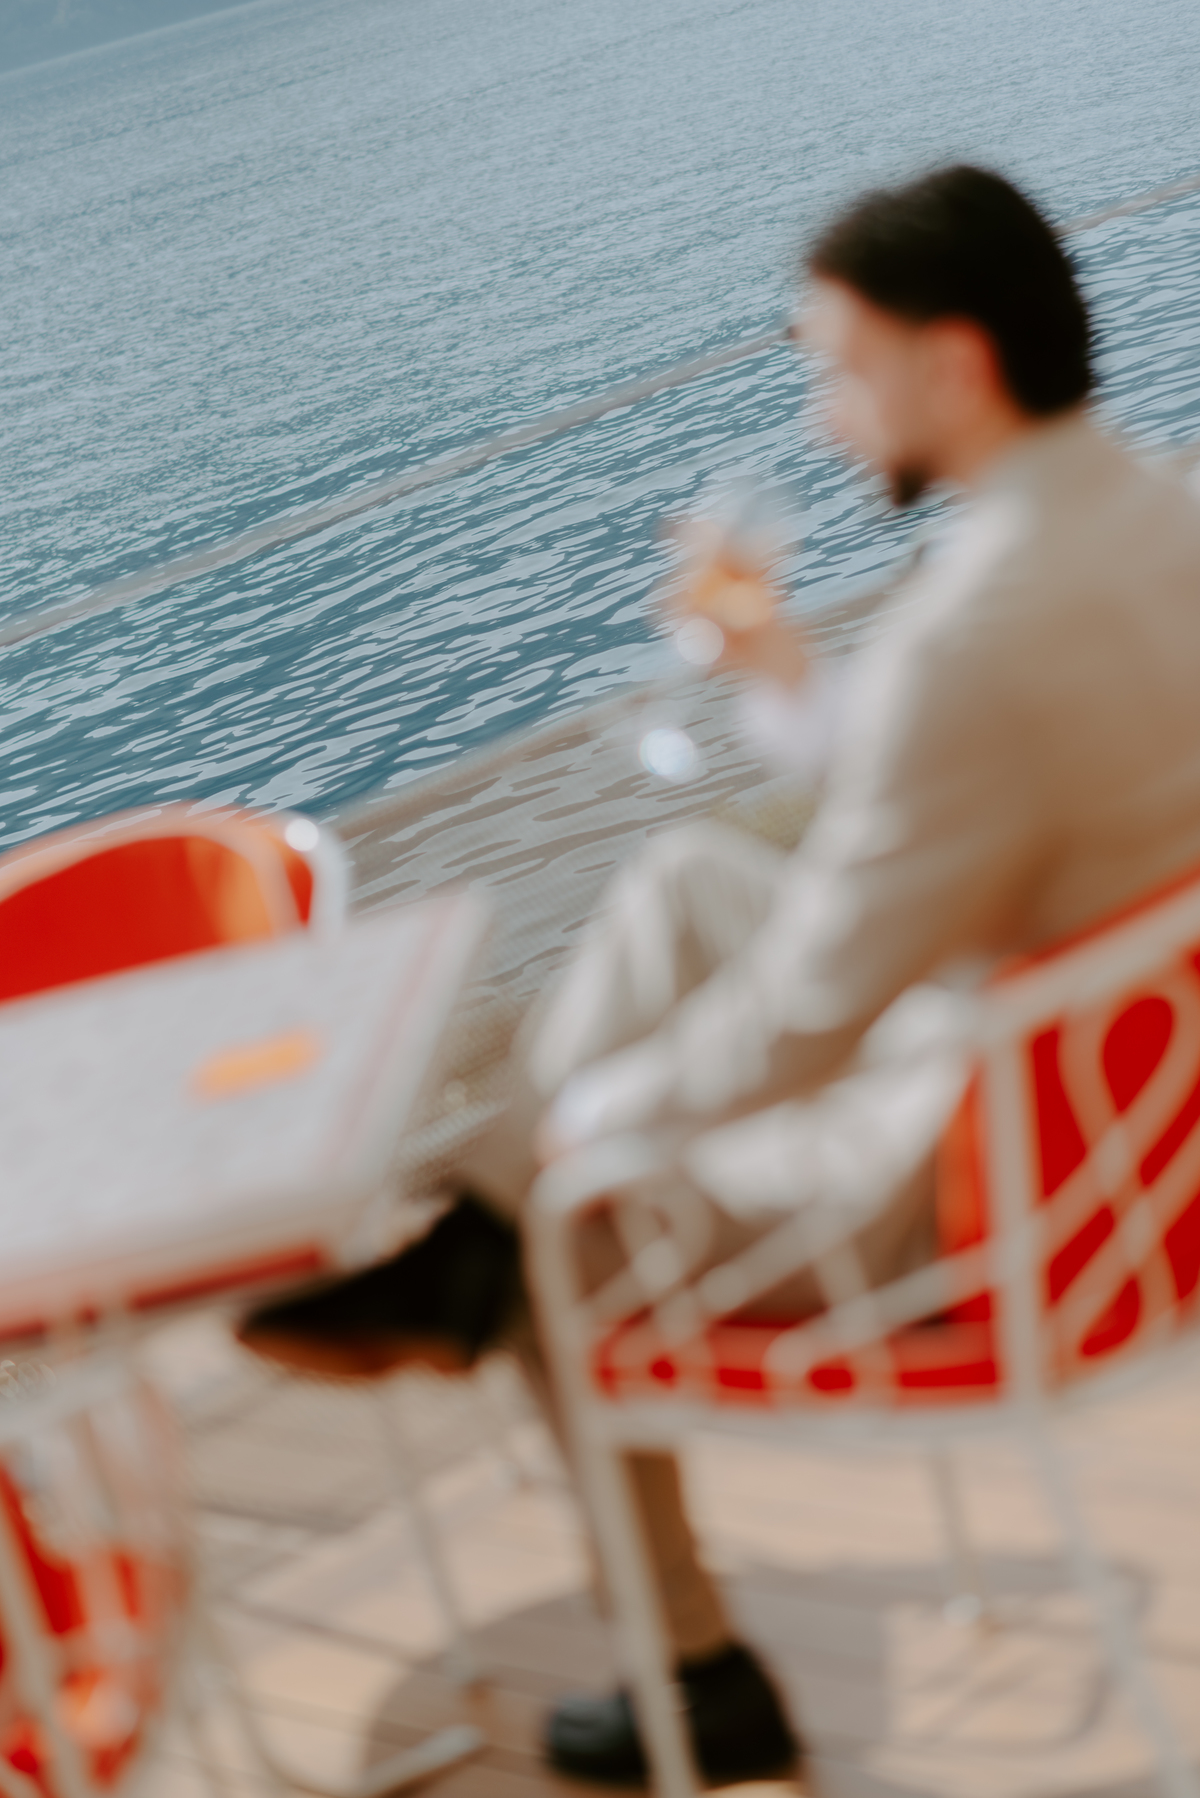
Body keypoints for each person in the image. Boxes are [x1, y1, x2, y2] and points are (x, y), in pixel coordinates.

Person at [239, 164, 1200, 1785]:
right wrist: (790, 679)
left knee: (569, 1223)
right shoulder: (1155, 514)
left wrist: (594, 1123)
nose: (827, 417)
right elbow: (973, 805)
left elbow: (810, 1013)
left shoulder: (973, 638)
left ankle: (694, 1668)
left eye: (843, 369)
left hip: (985, 1194)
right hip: (1131, 1114)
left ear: (954, 361)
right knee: (688, 881)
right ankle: (468, 1242)